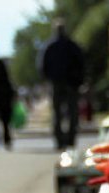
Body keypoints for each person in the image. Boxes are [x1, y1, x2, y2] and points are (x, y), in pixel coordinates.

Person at [39, 20, 84, 150]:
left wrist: (48, 79)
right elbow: (81, 63)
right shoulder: (72, 46)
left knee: (57, 113)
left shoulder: (49, 46)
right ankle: (70, 139)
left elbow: (42, 66)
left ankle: (60, 140)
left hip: (57, 83)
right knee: (72, 113)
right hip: (70, 83)